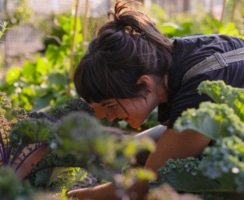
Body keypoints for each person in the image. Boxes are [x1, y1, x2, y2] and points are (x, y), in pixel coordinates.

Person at [67, 1, 244, 199]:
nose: (107, 117)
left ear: (144, 83)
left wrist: (81, 195)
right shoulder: (167, 56)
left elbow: (146, 183)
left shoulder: (200, 91)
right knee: (136, 149)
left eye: (110, 106)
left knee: (169, 183)